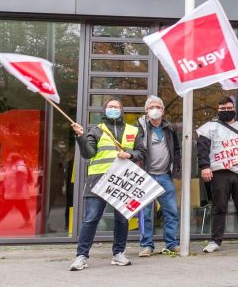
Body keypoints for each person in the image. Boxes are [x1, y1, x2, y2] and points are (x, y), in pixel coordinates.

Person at [68, 98, 140, 271]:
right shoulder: (96, 130)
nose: (113, 109)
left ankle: (118, 254)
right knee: (91, 218)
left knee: (122, 219)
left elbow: (141, 152)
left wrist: (129, 154)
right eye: (109, 107)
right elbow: (88, 153)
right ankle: (81, 256)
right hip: (98, 180)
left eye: (116, 107)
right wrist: (80, 136)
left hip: (122, 180)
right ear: (104, 110)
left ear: (122, 110)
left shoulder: (133, 130)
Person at [197, 97, 238, 253]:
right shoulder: (209, 127)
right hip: (219, 172)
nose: (225, 111)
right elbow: (202, 149)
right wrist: (205, 166)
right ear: (218, 110)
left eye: (228, 108)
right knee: (219, 208)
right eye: (222, 109)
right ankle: (215, 241)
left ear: (234, 109)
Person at [133, 96, 181, 257]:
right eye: (151, 107)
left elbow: (176, 150)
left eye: (158, 106)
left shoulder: (169, 128)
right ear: (146, 111)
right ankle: (147, 245)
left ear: (163, 110)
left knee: (171, 211)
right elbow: (134, 150)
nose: (155, 109)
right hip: (146, 176)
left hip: (164, 176)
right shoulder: (139, 128)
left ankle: (171, 243)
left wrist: (176, 169)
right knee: (145, 213)